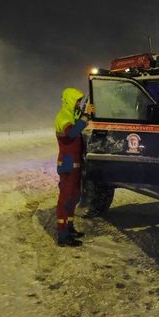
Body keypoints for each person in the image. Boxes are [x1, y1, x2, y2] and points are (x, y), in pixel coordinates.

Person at [54, 87, 93, 247]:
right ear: (70, 101)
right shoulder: (63, 117)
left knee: (74, 197)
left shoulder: (71, 115)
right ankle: (62, 235)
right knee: (66, 199)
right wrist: (84, 117)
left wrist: (84, 114)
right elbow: (71, 134)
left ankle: (69, 228)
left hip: (75, 165)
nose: (78, 104)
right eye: (77, 101)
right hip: (68, 165)